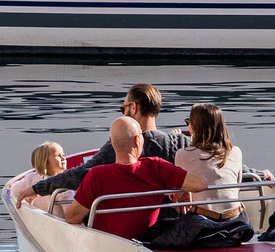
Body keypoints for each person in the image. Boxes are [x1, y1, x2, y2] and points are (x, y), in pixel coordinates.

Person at [31, 83, 188, 197]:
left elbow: (81, 174)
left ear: (133, 108)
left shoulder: (122, 143)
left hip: (135, 221)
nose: (122, 113)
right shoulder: (181, 142)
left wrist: (37, 188)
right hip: (179, 215)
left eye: (123, 109)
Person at [61, 115, 187, 239]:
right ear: (137, 140)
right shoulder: (157, 167)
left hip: (106, 244)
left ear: (111, 142)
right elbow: (197, 183)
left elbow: (72, 217)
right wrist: (182, 187)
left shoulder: (96, 175)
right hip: (149, 243)